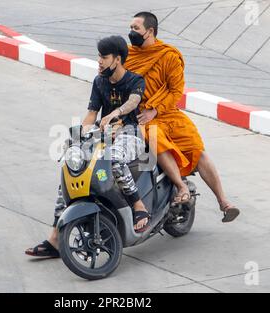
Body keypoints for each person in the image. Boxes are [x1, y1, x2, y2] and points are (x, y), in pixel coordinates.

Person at [26, 36, 150, 258]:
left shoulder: (135, 80)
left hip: (130, 135)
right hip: (104, 135)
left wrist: (115, 113)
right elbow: (92, 114)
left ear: (117, 59)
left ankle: (139, 206)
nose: (99, 61)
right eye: (99, 57)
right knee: (70, 169)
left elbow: (133, 101)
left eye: (104, 57)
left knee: (113, 159)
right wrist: (76, 137)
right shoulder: (99, 81)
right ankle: (55, 238)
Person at [125, 11, 240, 223]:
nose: (131, 32)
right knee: (153, 138)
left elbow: (175, 91)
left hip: (168, 113)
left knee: (197, 149)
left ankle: (224, 202)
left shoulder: (168, 55)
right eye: (131, 28)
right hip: (142, 118)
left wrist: (156, 110)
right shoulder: (127, 56)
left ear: (150, 31)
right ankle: (181, 186)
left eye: (136, 29)